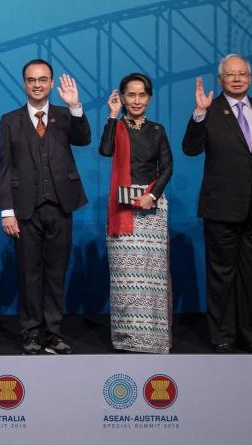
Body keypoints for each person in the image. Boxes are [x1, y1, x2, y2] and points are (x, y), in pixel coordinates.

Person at [182, 54, 252, 354]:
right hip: (221, 206)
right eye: (231, 74)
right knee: (221, 275)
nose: (237, 78)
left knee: (251, 275)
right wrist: (198, 114)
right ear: (221, 80)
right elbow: (190, 149)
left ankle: (248, 335)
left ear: (250, 78)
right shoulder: (210, 109)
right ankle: (222, 336)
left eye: (242, 74)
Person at [0, 59, 90, 355]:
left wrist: (76, 106)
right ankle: (32, 333)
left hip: (61, 206)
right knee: (29, 274)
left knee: (55, 272)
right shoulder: (10, 120)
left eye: (43, 79)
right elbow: (4, 168)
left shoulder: (65, 116)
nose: (37, 84)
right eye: (31, 79)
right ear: (24, 84)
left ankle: (53, 333)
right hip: (25, 210)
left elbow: (84, 139)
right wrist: (7, 211)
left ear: (51, 83)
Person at [99, 73, 174, 354]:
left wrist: (151, 195)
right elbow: (105, 150)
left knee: (151, 276)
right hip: (122, 207)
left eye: (142, 95)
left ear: (149, 98)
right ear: (122, 97)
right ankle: (127, 339)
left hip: (151, 205)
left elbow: (167, 167)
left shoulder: (157, 130)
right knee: (125, 276)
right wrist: (111, 115)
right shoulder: (116, 127)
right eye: (131, 95)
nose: (137, 100)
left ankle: (154, 340)